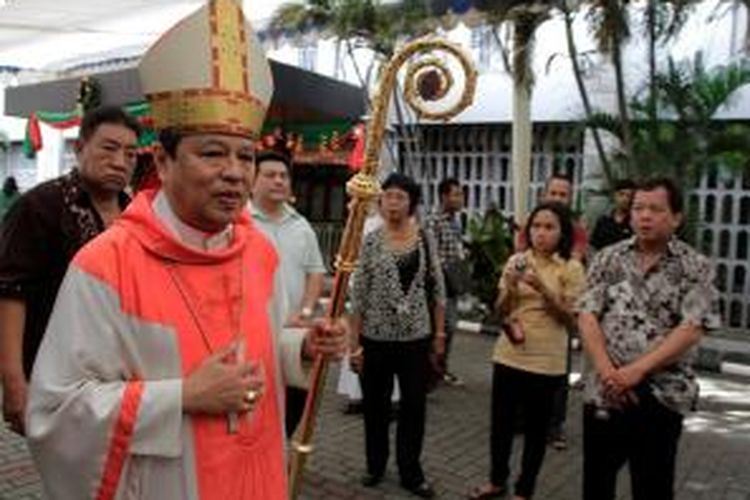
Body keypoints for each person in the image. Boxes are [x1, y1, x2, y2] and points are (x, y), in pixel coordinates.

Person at [24, 2, 346, 499]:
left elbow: (258, 347)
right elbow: (56, 413)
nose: (236, 173)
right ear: (162, 159)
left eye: (246, 156)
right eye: (213, 153)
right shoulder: (105, 265)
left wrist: (298, 346)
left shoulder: (259, 252)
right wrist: (182, 397)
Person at [577, 177, 721, 500]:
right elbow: (586, 314)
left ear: (677, 217)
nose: (644, 216)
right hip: (605, 392)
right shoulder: (608, 258)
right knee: (596, 483)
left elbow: (693, 327)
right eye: (638, 208)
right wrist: (607, 371)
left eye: (655, 209)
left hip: (661, 395)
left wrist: (636, 371)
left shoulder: (694, 266)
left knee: (653, 485)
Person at [0, 106, 139, 435]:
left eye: (131, 154)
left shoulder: (135, 214)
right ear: (80, 148)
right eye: (109, 148)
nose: (120, 162)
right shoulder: (40, 206)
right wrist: (14, 381)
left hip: (120, 377)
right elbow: (10, 292)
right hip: (54, 373)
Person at [469, 202, 585, 500]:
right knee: (501, 425)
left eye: (549, 227)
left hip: (547, 361)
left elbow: (572, 320)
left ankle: (524, 490)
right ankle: (497, 481)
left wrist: (544, 288)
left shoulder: (571, 268)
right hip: (509, 353)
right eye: (536, 226)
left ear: (562, 232)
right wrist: (508, 287)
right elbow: (498, 311)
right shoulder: (517, 261)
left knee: (536, 431)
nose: (541, 233)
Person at [349, 173, 446, 499]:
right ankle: (375, 465)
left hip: (416, 339)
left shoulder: (424, 238)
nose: (392, 203)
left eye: (400, 197)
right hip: (375, 340)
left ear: (412, 202)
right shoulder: (371, 241)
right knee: (375, 408)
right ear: (380, 201)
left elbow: (437, 289)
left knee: (414, 408)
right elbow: (358, 295)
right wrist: (354, 345)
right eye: (388, 196)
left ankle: (411, 472)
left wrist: (440, 333)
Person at [250, 149, 326, 437]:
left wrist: (306, 311)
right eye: (270, 175)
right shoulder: (239, 223)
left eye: (283, 176)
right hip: (251, 333)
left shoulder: (301, 226)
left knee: (294, 399)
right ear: (252, 182)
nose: (278, 181)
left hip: (292, 333)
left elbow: (315, 272)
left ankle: (278, 456)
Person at [515, 172, 587, 449]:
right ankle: (521, 420)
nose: (558, 198)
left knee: (558, 372)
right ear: (544, 195)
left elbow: (574, 264)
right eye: (553, 193)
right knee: (521, 366)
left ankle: (553, 426)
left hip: (559, 312)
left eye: (563, 194)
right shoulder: (530, 223)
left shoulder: (577, 229)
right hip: (526, 310)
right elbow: (521, 258)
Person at [425, 177, 468, 386]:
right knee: (444, 326)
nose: (461, 199)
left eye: (461, 194)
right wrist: (446, 271)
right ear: (444, 196)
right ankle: (434, 370)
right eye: (456, 194)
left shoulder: (455, 221)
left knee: (448, 327)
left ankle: (440, 369)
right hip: (440, 283)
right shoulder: (434, 220)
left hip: (453, 281)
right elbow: (432, 254)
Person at [590, 178, 635, 251]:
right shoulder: (604, 221)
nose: (625, 199)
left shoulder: (634, 222)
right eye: (621, 194)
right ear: (615, 195)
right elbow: (593, 245)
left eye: (628, 196)